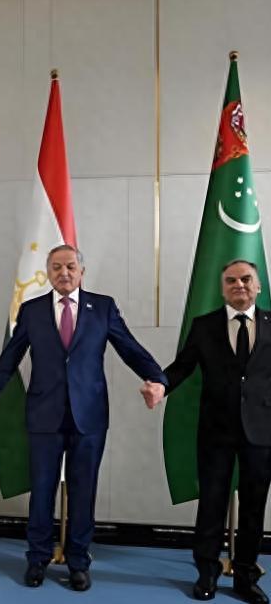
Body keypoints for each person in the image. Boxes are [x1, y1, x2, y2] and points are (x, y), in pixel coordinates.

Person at [0, 244, 166, 592]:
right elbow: (11, 356)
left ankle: (78, 561)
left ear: (82, 272)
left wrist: (157, 378)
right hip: (43, 416)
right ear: (48, 272)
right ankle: (37, 559)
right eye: (56, 267)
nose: (63, 273)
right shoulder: (32, 310)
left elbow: (129, 347)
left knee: (84, 491)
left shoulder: (103, 307)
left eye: (70, 267)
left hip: (89, 416)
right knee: (42, 491)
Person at [147, 259, 271, 604]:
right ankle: (207, 572)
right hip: (216, 430)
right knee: (212, 504)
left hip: (262, 431)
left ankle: (245, 577)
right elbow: (183, 366)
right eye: (231, 281)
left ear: (258, 285)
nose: (239, 285)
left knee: (254, 508)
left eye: (245, 279)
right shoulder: (204, 326)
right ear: (222, 288)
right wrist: (160, 386)